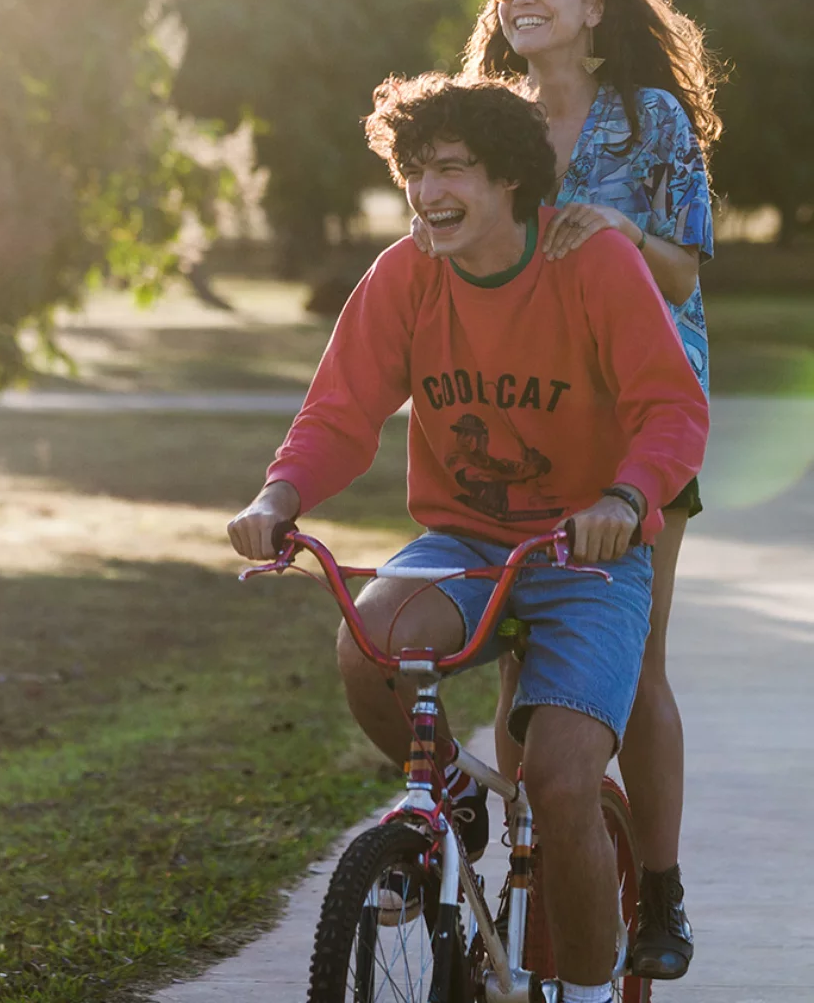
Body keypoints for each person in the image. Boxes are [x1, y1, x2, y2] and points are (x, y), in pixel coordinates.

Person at [228, 73, 708, 1003]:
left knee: (563, 784)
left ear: (511, 184)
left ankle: (582, 990)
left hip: (588, 554)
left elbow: (670, 410)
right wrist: (278, 496)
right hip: (462, 541)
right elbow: (340, 413)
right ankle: (446, 803)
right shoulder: (405, 275)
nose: (426, 190)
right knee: (370, 640)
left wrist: (623, 497)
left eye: (452, 169)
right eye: (415, 169)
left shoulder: (595, 268)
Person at [411, 0, 719, 981]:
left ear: (595, 5)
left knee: (632, 673)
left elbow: (686, 276)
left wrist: (621, 234)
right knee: (520, 677)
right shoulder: (490, 123)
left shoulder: (651, 121)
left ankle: (664, 890)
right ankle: (545, 867)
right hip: (523, 421)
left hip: (639, 422)